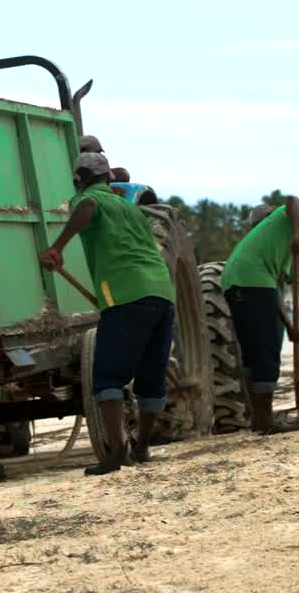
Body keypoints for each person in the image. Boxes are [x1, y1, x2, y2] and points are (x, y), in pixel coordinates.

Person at [40, 152, 176, 475]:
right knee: (151, 377)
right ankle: (141, 448)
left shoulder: (87, 199)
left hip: (127, 297)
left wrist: (57, 247)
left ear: (78, 179)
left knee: (108, 377)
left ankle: (117, 453)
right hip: (161, 292)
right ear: (108, 178)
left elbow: (87, 208)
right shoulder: (129, 208)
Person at [222, 187, 299, 434]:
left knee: (254, 351)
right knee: (265, 352)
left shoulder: (278, 243)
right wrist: (297, 234)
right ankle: (266, 420)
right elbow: (294, 200)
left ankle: (258, 418)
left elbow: (276, 293)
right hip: (252, 279)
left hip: (236, 279)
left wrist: (289, 326)